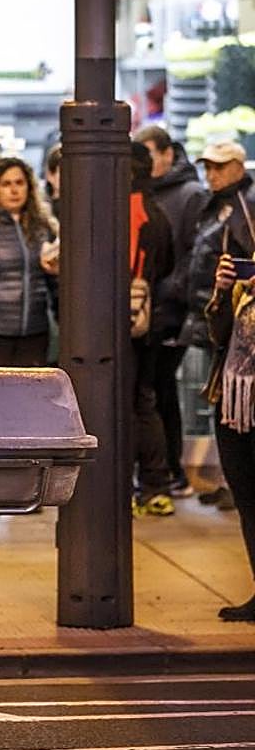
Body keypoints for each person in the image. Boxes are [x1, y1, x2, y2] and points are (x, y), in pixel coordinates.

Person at [135, 126, 212, 496]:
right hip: (154, 306)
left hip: (172, 310)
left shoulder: (190, 195)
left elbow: (194, 254)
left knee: (159, 391)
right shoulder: (146, 196)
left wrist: (169, 290)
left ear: (168, 154)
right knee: (153, 390)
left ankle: (170, 472)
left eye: (149, 155)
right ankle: (163, 471)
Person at [183, 140, 255, 510]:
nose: (212, 174)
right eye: (208, 167)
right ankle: (230, 482)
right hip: (222, 335)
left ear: (239, 168)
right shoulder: (214, 206)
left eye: (220, 166)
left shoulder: (245, 205)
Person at [204, 240, 255, 622]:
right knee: (248, 501)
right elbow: (218, 337)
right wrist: (222, 290)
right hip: (234, 403)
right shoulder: (244, 281)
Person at [129, 142, 176, 517]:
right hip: (153, 321)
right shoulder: (157, 211)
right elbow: (170, 263)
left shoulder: (132, 211)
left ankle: (147, 484)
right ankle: (156, 485)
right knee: (146, 401)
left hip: (127, 326)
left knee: (133, 404)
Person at [0, 157, 58, 366]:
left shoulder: (43, 227)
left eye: (19, 183)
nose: (14, 190)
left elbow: (55, 284)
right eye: (6, 184)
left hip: (36, 329)